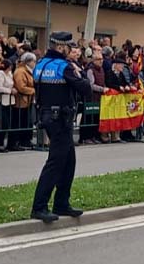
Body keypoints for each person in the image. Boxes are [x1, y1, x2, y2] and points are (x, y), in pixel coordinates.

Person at [30, 32, 91, 223]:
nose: (70, 50)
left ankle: (62, 203)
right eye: (68, 47)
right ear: (60, 47)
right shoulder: (64, 66)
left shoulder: (40, 64)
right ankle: (39, 206)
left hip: (47, 116)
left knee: (69, 161)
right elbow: (85, 88)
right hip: (61, 119)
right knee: (56, 163)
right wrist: (79, 72)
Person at [12, 52, 36, 150]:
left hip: (28, 100)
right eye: (34, 61)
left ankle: (26, 140)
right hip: (21, 101)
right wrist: (34, 90)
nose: (35, 63)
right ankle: (19, 141)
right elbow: (21, 87)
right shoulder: (20, 71)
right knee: (20, 122)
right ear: (28, 62)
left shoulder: (29, 71)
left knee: (27, 121)